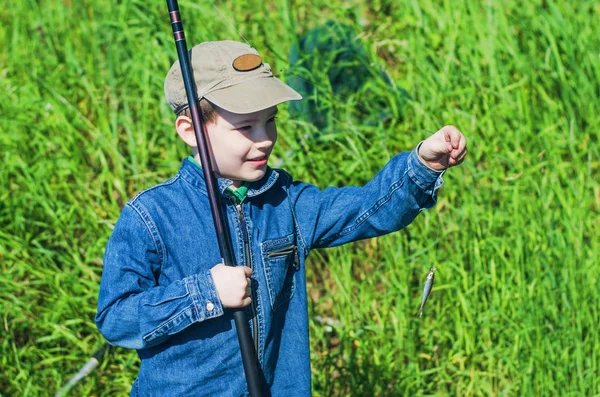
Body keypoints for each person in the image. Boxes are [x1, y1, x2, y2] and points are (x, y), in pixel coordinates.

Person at [95, 40, 467, 396]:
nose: (265, 139)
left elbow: (368, 209)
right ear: (190, 130)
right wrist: (206, 293)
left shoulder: (286, 202)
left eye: (269, 121)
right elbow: (116, 318)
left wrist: (422, 164)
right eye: (246, 127)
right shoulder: (151, 215)